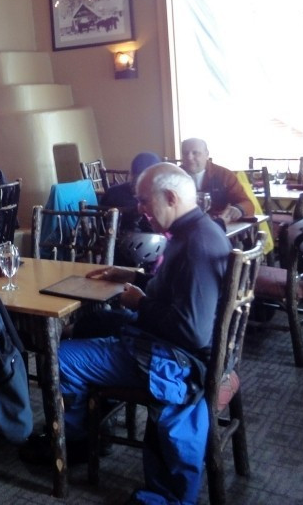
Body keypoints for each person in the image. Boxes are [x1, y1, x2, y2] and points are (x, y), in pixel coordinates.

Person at [29, 162, 231, 505]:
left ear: (170, 197)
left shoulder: (196, 245)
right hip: (175, 349)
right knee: (93, 323)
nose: (139, 209)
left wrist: (140, 303)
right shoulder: (196, 231)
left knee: (58, 358)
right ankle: (94, 423)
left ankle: (76, 441)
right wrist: (132, 277)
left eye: (144, 200)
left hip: (177, 361)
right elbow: (177, 294)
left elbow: (192, 331)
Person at [179, 137, 253, 222]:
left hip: (219, 224)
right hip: (184, 224)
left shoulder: (224, 175)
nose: (189, 157)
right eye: (185, 153)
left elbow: (247, 204)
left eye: (195, 153)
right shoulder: (173, 176)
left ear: (207, 154)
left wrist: (239, 209)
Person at [101, 151, 161, 232]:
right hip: (144, 237)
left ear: (131, 173)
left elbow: (101, 225)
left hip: (106, 237)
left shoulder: (111, 192)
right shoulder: (154, 200)